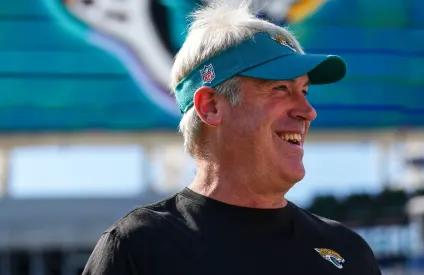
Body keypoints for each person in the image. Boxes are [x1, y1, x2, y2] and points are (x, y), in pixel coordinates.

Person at [82, 1, 382, 274]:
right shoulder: (138, 247)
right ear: (210, 107)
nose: (308, 111)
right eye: (280, 89)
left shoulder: (348, 252)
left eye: (304, 91)